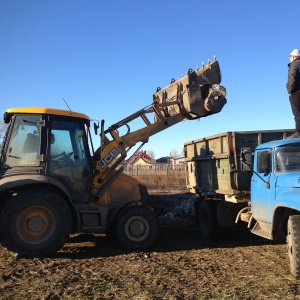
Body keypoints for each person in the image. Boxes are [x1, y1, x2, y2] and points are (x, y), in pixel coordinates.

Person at [287, 49, 300, 138]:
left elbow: (292, 76)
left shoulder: (294, 64)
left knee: (297, 112)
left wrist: (290, 89)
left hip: (296, 92)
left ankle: (298, 132)